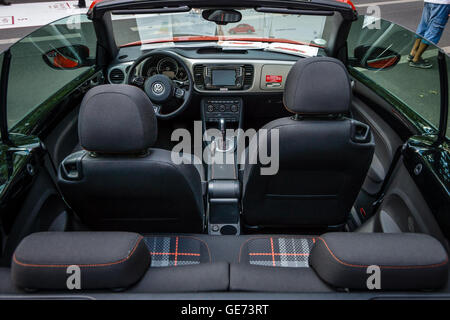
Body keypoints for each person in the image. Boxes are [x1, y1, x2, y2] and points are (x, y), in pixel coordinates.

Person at [409, 0, 450, 69]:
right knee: (434, 31)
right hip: (442, 3)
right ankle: (416, 59)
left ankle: (413, 53)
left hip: (429, 1)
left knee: (424, 25)